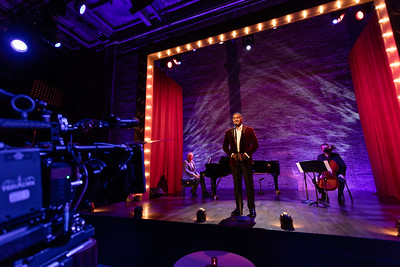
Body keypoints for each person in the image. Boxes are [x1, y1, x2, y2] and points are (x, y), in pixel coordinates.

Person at [223, 112, 259, 217]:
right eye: (234, 118)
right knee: (237, 186)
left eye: (237, 118)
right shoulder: (228, 132)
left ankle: (252, 209)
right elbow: (225, 147)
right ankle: (238, 208)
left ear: (241, 119)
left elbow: (255, 144)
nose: (235, 120)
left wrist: (246, 154)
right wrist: (232, 154)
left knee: (249, 186)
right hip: (234, 162)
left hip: (246, 161)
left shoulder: (249, 130)